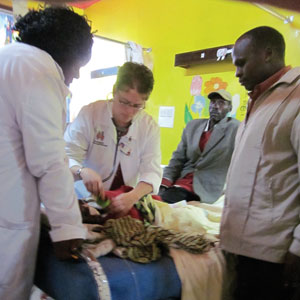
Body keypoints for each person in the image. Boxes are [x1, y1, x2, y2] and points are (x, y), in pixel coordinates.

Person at [0, 7, 93, 300]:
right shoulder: (39, 70)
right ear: (67, 50)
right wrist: (67, 227)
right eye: (80, 64)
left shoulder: (8, 58)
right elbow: (49, 161)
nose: (77, 75)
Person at [220, 26, 300, 300]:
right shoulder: (261, 98)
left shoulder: (296, 96)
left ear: (267, 54)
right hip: (244, 247)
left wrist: (299, 248)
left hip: (275, 255)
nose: (237, 72)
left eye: (242, 63)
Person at [64, 62, 162, 218]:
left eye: (137, 105)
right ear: (114, 90)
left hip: (124, 201)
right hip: (84, 198)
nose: (129, 111)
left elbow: (152, 172)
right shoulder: (91, 114)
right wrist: (82, 171)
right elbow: (66, 155)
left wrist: (133, 196)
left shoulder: (149, 127)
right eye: (124, 102)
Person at [159, 89, 240, 204]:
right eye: (213, 102)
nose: (215, 106)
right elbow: (178, 158)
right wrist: (165, 182)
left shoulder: (236, 129)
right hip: (182, 181)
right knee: (152, 200)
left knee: (166, 202)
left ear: (230, 108)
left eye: (221, 103)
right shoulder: (193, 126)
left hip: (207, 187)